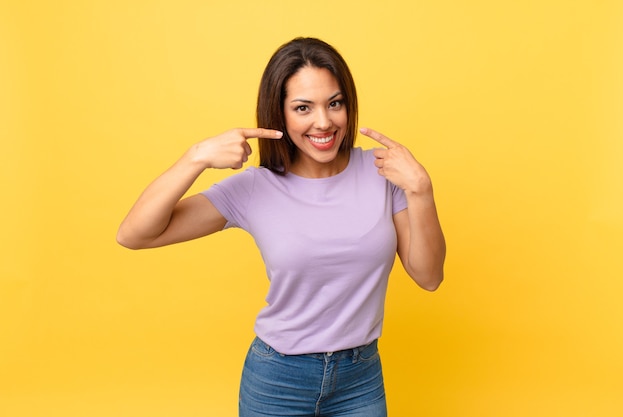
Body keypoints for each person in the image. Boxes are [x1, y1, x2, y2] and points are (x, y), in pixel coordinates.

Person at [117, 37, 446, 417]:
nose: (323, 122)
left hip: (360, 377)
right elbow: (134, 234)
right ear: (280, 114)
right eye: (303, 107)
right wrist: (196, 157)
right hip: (278, 380)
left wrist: (421, 190)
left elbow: (429, 276)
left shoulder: (384, 172)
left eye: (334, 104)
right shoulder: (255, 187)